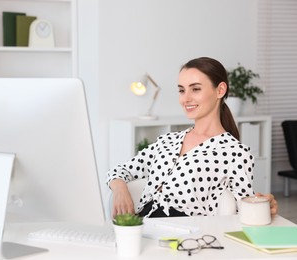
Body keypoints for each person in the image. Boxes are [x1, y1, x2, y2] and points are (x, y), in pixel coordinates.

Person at [106, 57, 278, 218]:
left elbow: (244, 210)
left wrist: (265, 204)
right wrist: (120, 190)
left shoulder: (235, 153)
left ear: (220, 90)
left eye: (195, 89)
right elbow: (118, 171)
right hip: (141, 226)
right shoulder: (167, 141)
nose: (185, 99)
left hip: (186, 239)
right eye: (182, 90)